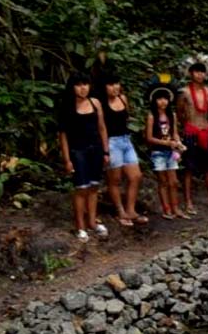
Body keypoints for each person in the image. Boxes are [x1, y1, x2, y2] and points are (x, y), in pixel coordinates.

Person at [57, 72, 110, 242]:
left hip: (96, 149)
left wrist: (106, 151)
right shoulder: (67, 106)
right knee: (81, 188)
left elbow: (102, 127)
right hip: (78, 151)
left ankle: (92, 222)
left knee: (94, 186)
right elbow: (63, 135)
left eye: (85, 84)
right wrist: (67, 159)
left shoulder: (95, 103)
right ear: (72, 87)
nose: (83, 88)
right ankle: (80, 226)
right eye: (79, 85)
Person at [177, 54, 208, 214]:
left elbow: (207, 112)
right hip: (190, 132)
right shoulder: (184, 92)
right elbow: (179, 113)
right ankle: (188, 202)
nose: (199, 75)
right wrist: (182, 132)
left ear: (206, 74)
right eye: (196, 72)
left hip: (206, 131)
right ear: (190, 74)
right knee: (189, 168)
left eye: (202, 72)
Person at [98, 72, 146, 226]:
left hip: (126, 140)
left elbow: (126, 118)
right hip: (111, 142)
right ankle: (120, 212)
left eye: (116, 83)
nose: (115, 87)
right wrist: (105, 150)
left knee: (136, 176)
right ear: (104, 87)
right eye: (111, 84)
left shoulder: (123, 99)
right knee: (115, 179)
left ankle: (131, 209)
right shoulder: (101, 103)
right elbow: (101, 127)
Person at [145, 76, 188, 220]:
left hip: (171, 151)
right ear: (154, 100)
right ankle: (166, 208)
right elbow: (149, 138)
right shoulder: (151, 116)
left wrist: (178, 143)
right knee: (162, 182)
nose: (163, 102)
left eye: (165, 98)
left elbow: (174, 132)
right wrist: (166, 143)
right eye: (159, 99)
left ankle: (175, 207)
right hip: (158, 152)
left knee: (174, 182)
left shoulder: (172, 115)